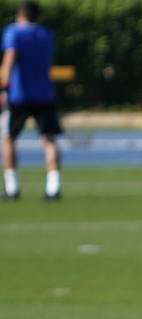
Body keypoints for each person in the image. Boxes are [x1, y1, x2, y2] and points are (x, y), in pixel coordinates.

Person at [1, 0, 62, 201]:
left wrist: (3, 86)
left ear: (20, 14)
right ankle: (53, 187)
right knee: (49, 139)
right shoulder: (46, 34)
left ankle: (12, 187)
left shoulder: (14, 32)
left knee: (9, 138)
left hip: (20, 94)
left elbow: (10, 60)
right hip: (44, 93)